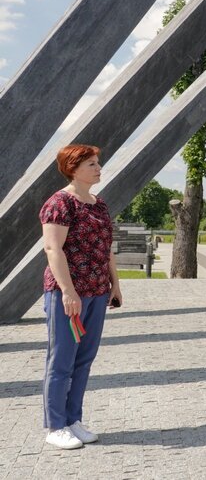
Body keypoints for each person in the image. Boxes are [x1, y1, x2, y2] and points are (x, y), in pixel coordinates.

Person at [39, 144, 122, 449]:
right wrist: (68, 291)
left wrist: (115, 284)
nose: (99, 168)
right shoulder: (59, 203)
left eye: (98, 163)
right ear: (72, 169)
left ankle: (73, 420)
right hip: (68, 295)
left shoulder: (99, 204)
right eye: (91, 164)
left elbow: (106, 247)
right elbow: (53, 249)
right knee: (61, 360)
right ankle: (55, 426)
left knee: (84, 360)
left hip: (97, 292)